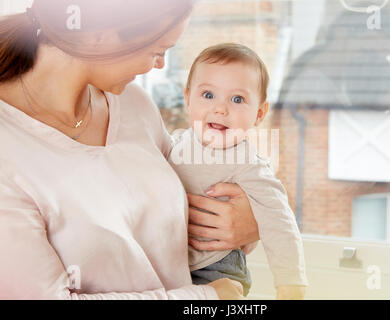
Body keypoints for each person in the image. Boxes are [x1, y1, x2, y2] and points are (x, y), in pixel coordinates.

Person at [0, 0, 260, 299]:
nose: (161, 64)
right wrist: (206, 299)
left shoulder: (133, 103)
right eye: (158, 50)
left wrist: (248, 220)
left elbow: (187, 197)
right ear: (100, 35)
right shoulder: (8, 150)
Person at [168, 43, 308, 299]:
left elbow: (280, 224)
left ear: (259, 113)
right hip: (170, 267)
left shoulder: (249, 164)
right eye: (208, 95)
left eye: (237, 99)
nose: (220, 108)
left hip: (218, 268)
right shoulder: (174, 144)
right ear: (188, 100)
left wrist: (290, 285)